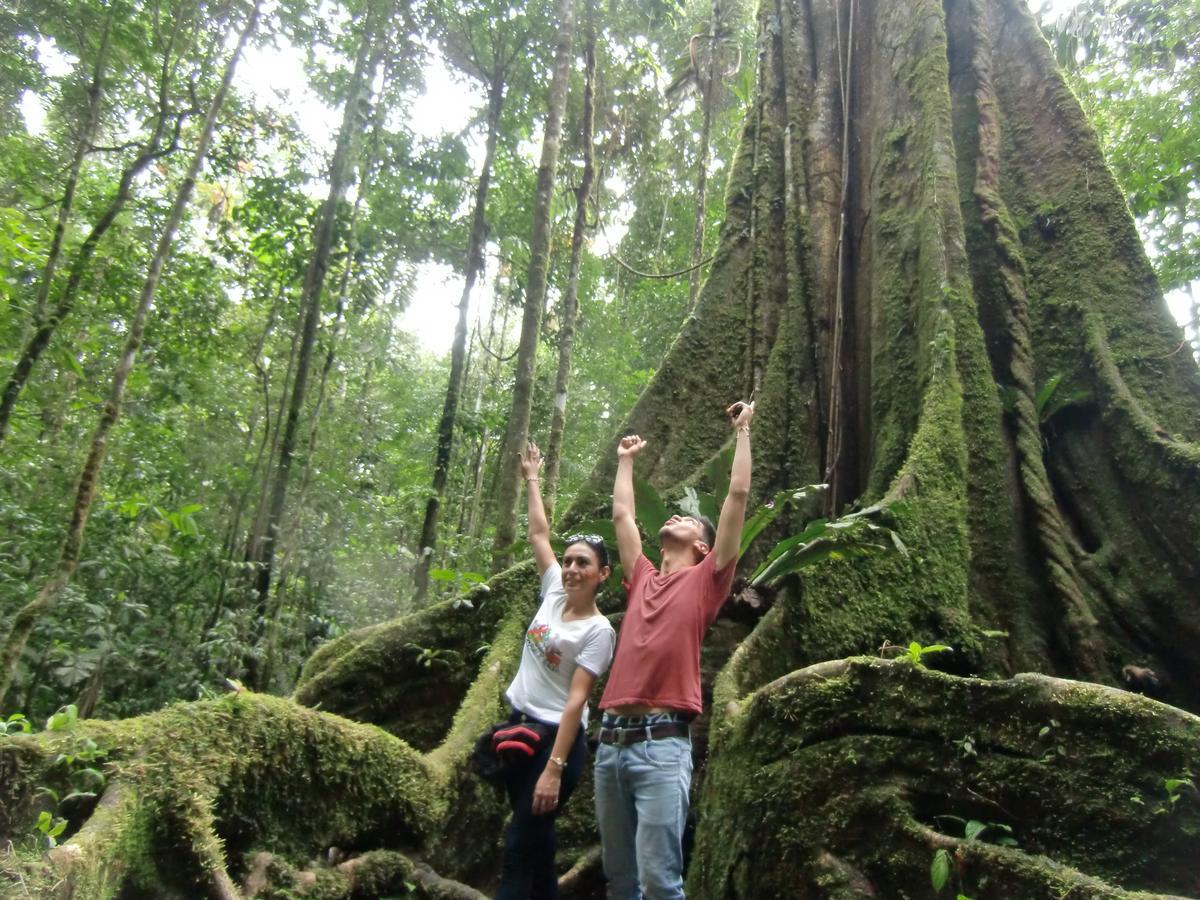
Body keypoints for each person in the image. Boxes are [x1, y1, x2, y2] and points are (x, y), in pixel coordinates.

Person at [594, 399, 755, 899]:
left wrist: (743, 432)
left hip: (661, 746)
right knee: (620, 882)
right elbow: (622, 513)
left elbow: (738, 493)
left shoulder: (708, 582)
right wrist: (624, 461)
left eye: (689, 520)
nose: (679, 518)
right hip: (610, 744)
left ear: (703, 547)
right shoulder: (641, 577)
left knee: (660, 882)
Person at [498, 441, 617, 900]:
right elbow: (538, 536)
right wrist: (532, 477)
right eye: (568, 561)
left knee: (517, 847)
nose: (570, 568)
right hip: (517, 728)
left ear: (602, 574)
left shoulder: (599, 631)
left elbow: (576, 701)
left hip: (554, 743)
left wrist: (554, 769)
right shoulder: (553, 591)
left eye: (582, 563)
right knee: (540, 844)